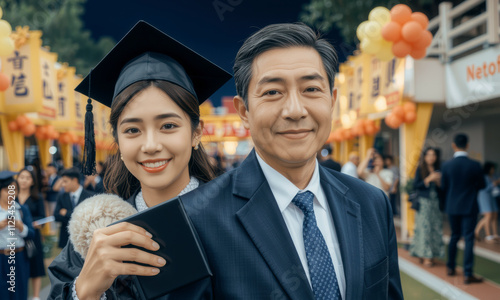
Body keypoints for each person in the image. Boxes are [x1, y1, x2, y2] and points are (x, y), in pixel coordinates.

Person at [174, 23, 401, 298]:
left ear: (332, 100)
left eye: (311, 89)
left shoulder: (372, 203)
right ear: (244, 111)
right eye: (272, 92)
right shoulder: (196, 220)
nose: (295, 110)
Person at [48, 21, 231, 299]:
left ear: (196, 133)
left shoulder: (234, 218)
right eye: (132, 130)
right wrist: (83, 290)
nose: (150, 145)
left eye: (168, 126)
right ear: (119, 142)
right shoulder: (96, 235)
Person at [441, 133, 486, 284]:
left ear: (454, 145)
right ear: (467, 145)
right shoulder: (475, 165)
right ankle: (468, 273)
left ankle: (451, 268)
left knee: (454, 236)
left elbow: (444, 187)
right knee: (468, 239)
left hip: (452, 206)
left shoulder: (446, 165)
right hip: (469, 205)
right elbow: (482, 185)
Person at [0, 171, 35, 300]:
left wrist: (20, 227)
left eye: (14, 190)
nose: (11, 194)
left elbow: (31, 233)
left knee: (19, 292)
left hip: (19, 256)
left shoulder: (21, 209)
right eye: (7, 190)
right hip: (1, 257)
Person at [409, 147, 444, 267]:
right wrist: (429, 179)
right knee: (424, 227)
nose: (431, 157)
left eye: (433, 155)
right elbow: (415, 185)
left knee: (435, 227)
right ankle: (425, 255)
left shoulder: (439, 169)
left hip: (435, 203)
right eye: (429, 155)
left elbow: (443, 188)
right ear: (425, 157)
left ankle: (432, 253)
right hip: (423, 202)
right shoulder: (420, 169)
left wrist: (439, 182)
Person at [16, 167, 47, 300]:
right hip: (15, 236)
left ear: (32, 181)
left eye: (27, 178)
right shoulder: (11, 197)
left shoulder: (37, 198)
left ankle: (35, 296)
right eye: (21, 177)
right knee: (17, 267)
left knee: (35, 267)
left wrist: (31, 223)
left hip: (32, 237)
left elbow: (43, 218)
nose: (24, 180)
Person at [53, 168, 95, 249]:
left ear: (75, 180)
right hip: (66, 239)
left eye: (65, 181)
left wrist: (67, 213)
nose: (63, 185)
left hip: (85, 240)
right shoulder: (62, 196)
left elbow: (89, 219)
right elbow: (56, 216)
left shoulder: (90, 196)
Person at [475, 162, 500, 243]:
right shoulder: (484, 177)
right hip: (484, 197)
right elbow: (485, 188)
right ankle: (484, 234)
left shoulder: (492, 176)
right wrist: (495, 183)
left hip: (492, 197)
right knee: (488, 216)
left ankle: (495, 235)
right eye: (492, 168)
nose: (493, 170)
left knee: (494, 215)